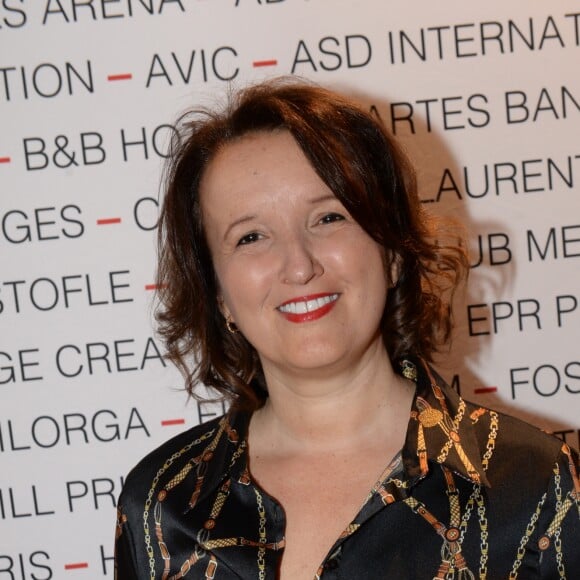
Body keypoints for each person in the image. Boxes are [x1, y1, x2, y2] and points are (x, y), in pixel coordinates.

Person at [114, 79, 580, 579]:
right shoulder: (162, 504)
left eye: (329, 217)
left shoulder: (533, 483)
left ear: (394, 252)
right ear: (218, 292)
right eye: (251, 236)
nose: (298, 265)